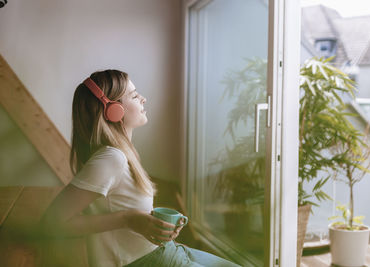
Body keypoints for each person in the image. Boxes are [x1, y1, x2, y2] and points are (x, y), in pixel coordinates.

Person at [39, 69, 241, 267]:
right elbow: (52, 222)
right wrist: (128, 219)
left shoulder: (120, 154)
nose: (143, 98)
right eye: (134, 95)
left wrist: (153, 225)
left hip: (165, 251)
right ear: (113, 110)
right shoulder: (111, 159)